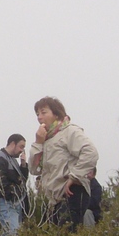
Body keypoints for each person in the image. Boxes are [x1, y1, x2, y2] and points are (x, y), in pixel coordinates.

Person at [29, 97, 99, 228]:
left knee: (68, 234)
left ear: (56, 114)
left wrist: (74, 177)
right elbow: (34, 169)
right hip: (55, 199)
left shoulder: (69, 131)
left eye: (43, 112)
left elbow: (90, 152)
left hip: (72, 192)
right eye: (37, 114)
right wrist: (38, 143)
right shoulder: (46, 139)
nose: (39, 117)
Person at [0, 134, 29, 236]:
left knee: (13, 235)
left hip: (15, 203)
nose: (22, 151)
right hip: (6, 202)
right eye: (21, 147)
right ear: (13, 144)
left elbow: (22, 181)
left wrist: (23, 165)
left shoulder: (13, 161)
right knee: (12, 234)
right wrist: (11, 195)